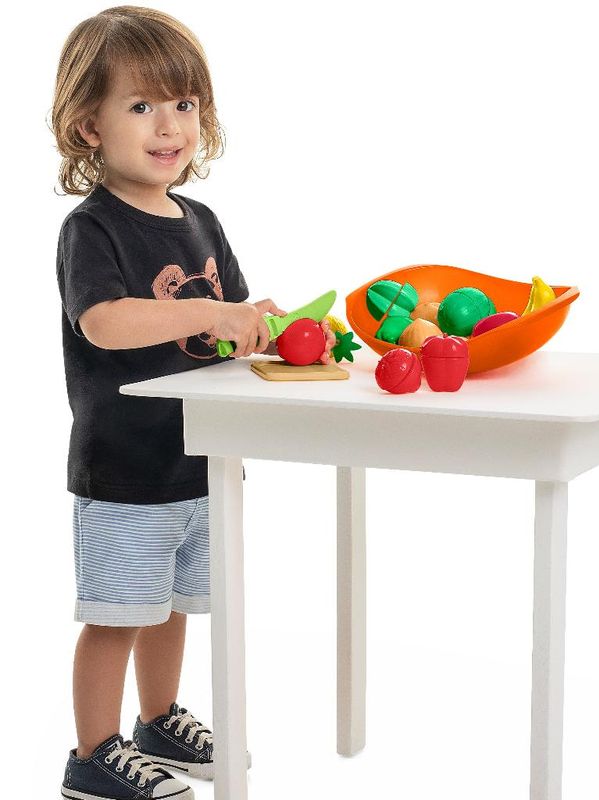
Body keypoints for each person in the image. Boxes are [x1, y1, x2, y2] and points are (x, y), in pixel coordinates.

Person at [50, 7, 336, 799]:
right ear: (89, 127)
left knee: (171, 605)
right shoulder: (92, 229)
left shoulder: (201, 221)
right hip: (125, 464)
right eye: (141, 105)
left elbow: (227, 328)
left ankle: (156, 720)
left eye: (183, 103)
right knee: (118, 613)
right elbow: (105, 323)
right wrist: (211, 312)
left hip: (200, 458)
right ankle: (92, 755)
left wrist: (267, 328)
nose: (169, 124)